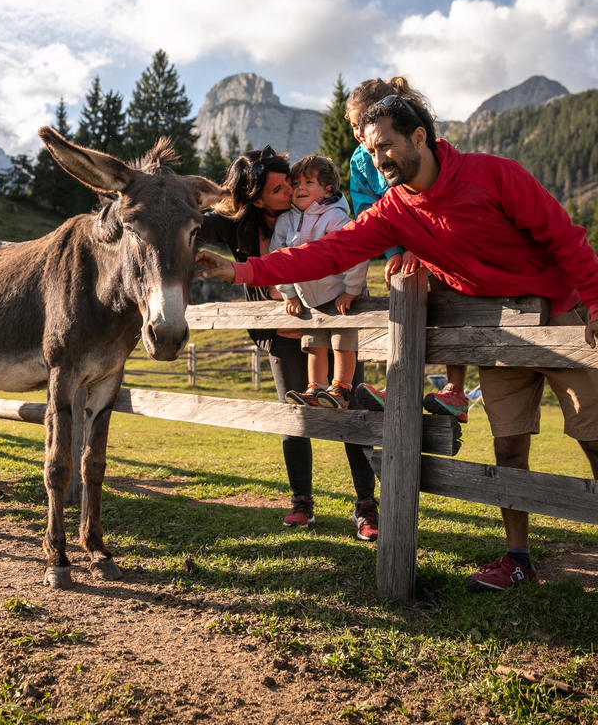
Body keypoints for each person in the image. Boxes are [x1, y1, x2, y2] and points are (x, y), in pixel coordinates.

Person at [196, 95, 598, 591]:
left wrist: (595, 303)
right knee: (509, 447)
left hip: (560, 316)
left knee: (593, 435)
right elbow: (324, 254)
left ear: (419, 137)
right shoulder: (392, 212)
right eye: (370, 148)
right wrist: (242, 270)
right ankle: (518, 560)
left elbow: (565, 237)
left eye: (385, 145)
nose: (378, 158)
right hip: (498, 333)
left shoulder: (495, 174)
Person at [198, 146, 380, 539]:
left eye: (295, 183)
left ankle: (367, 503)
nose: (291, 190)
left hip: (332, 322)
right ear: (257, 197)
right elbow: (196, 224)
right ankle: (302, 500)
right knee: (294, 415)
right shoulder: (240, 224)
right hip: (282, 335)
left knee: (353, 411)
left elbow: (348, 247)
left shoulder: (317, 214)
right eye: (281, 187)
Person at [346, 77, 470, 423]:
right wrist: (394, 252)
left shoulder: (419, 143)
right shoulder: (360, 160)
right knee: (402, 304)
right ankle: (401, 384)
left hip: (439, 242)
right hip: (402, 246)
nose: (359, 132)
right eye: (354, 126)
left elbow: (433, 199)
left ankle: (455, 390)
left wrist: (421, 248)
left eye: (361, 123)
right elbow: (367, 208)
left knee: (449, 304)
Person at [271, 155, 368, 409]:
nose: (300, 187)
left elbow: (355, 253)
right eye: (297, 182)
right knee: (314, 345)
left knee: (342, 342)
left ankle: (341, 389)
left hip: (339, 296)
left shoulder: (334, 218)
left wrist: (352, 290)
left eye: (309, 182)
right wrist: (289, 293)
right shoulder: (286, 221)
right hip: (309, 299)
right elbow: (278, 259)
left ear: (327, 190)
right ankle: (316, 388)